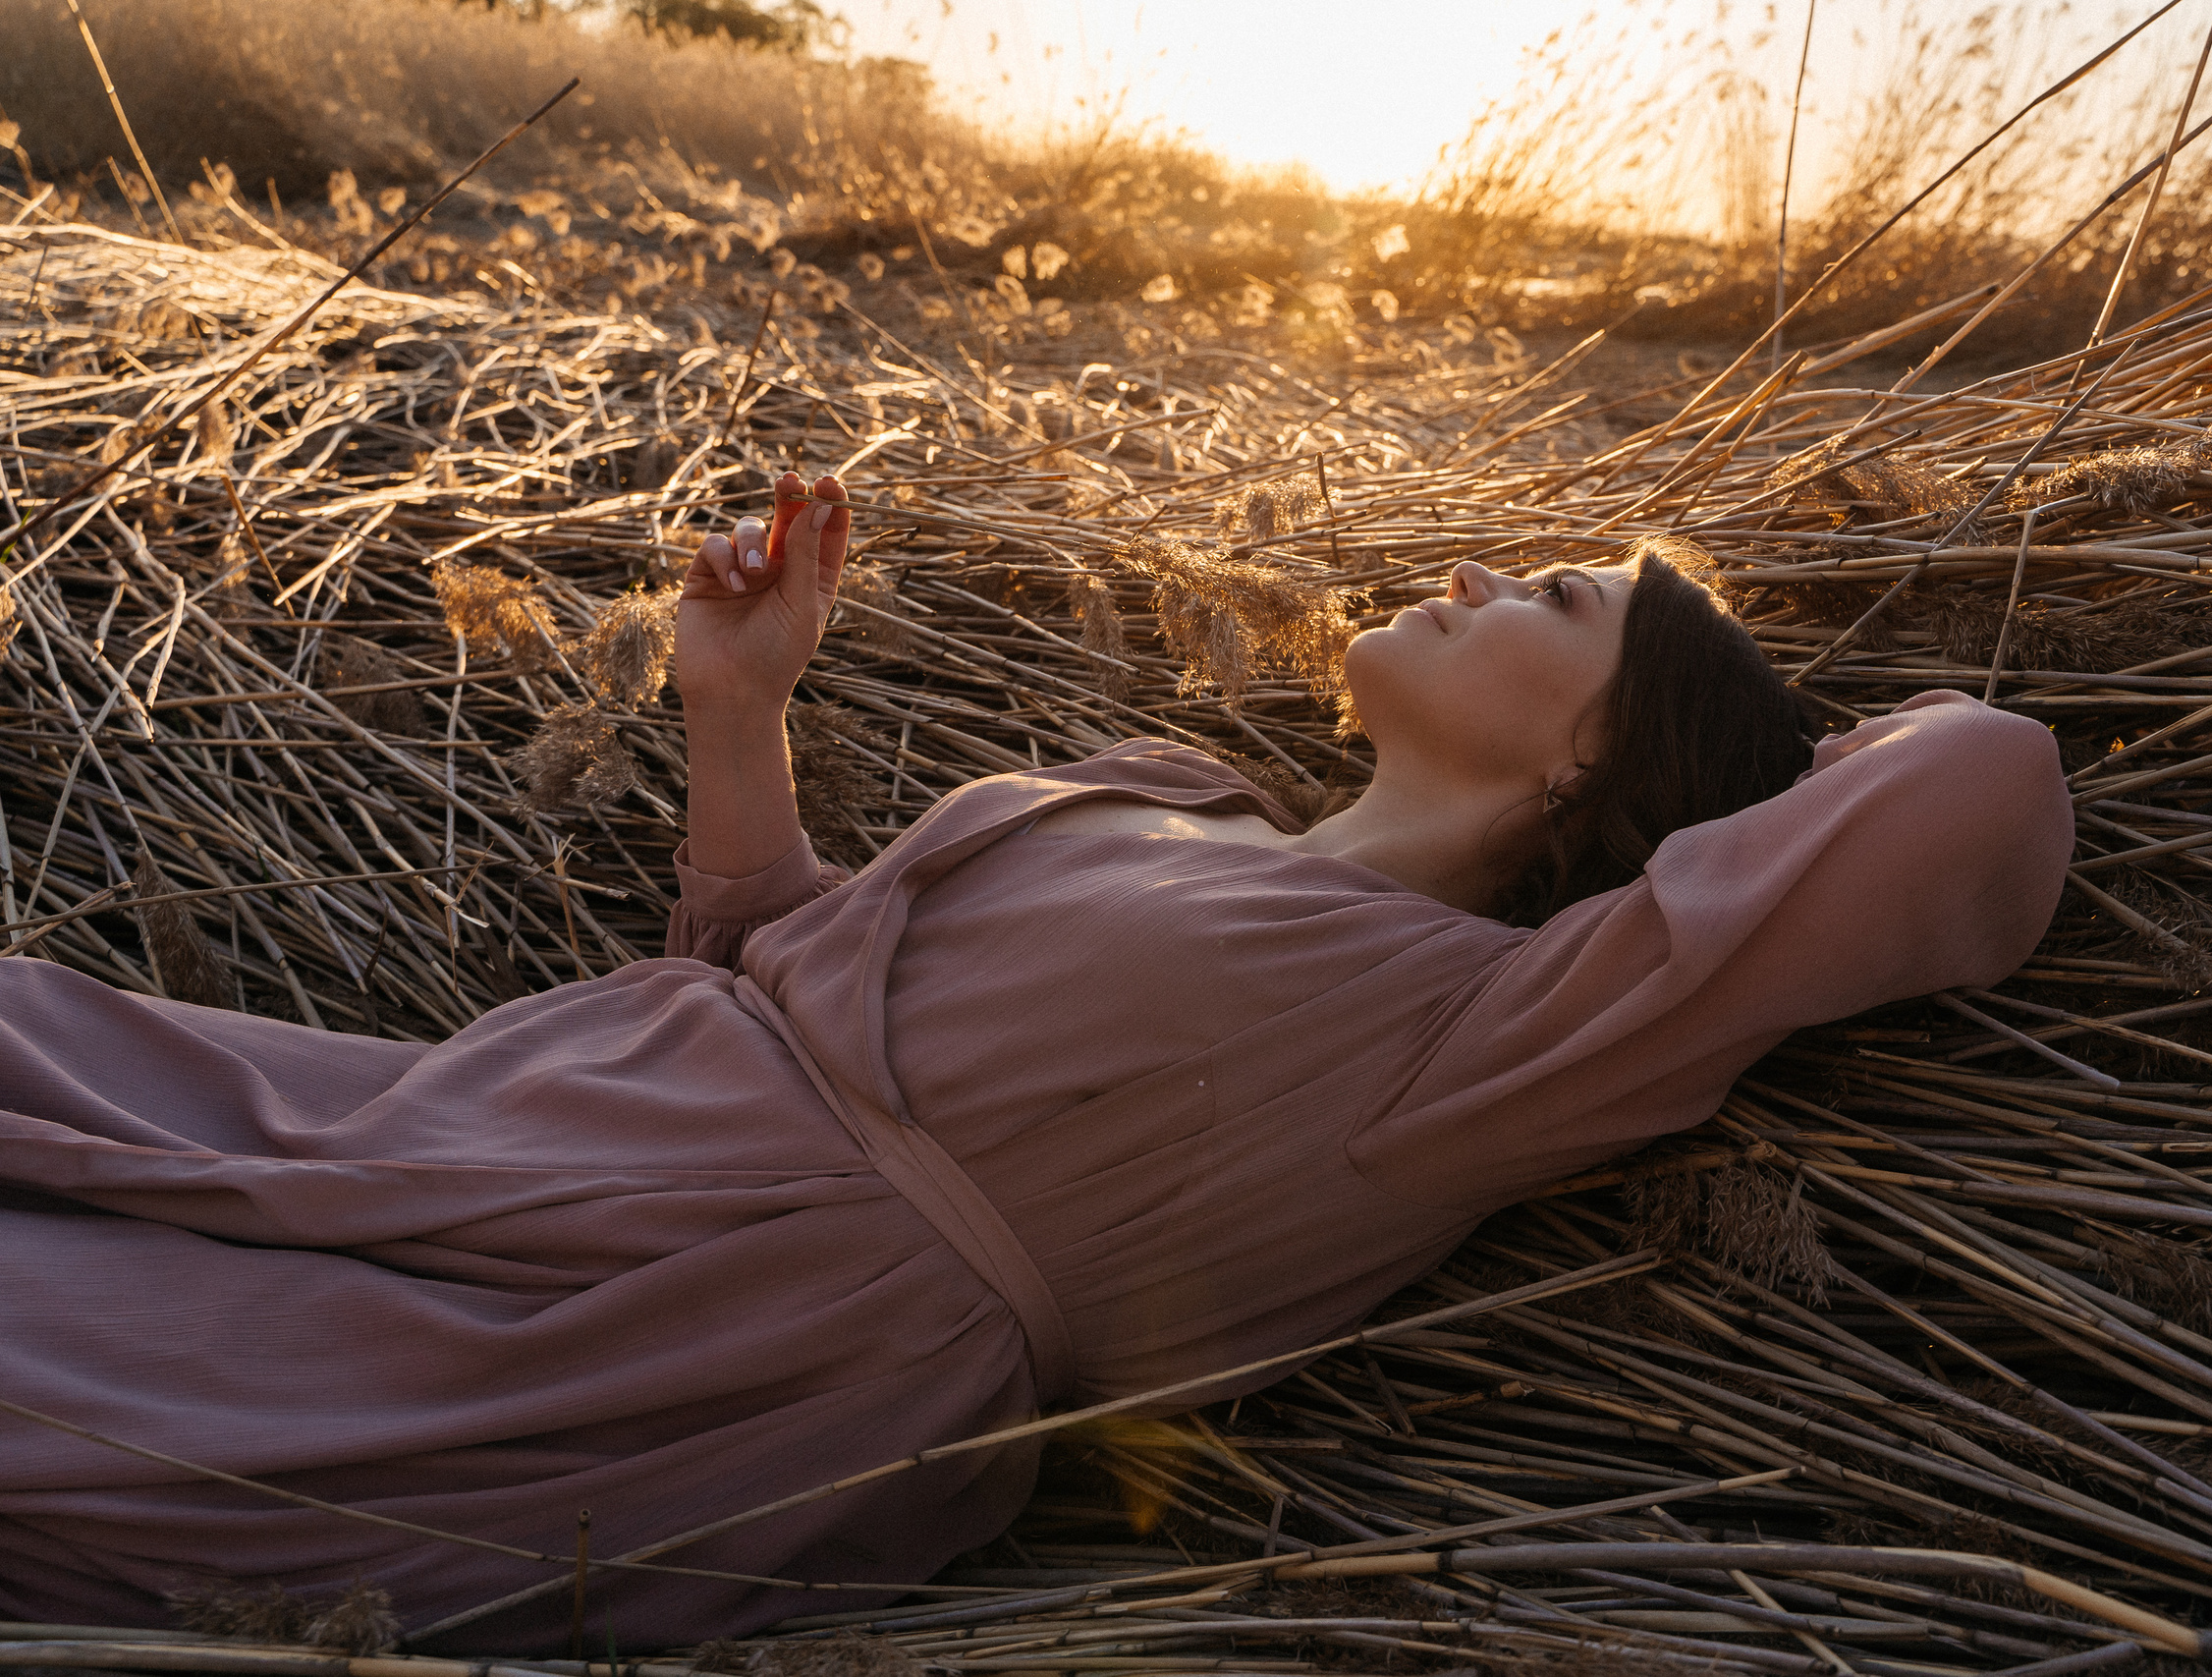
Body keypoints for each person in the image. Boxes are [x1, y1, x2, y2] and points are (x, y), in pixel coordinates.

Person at [0, 472, 2073, 1650]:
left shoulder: (1486, 1032)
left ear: (1589, 756)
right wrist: (739, 707)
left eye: (1547, 594)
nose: (1464, 569)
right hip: (529, 1113)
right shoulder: (1155, 784)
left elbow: (1975, 789)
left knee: (64, 1379)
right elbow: (777, 965)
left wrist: (1775, 740)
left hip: (693, 1318)